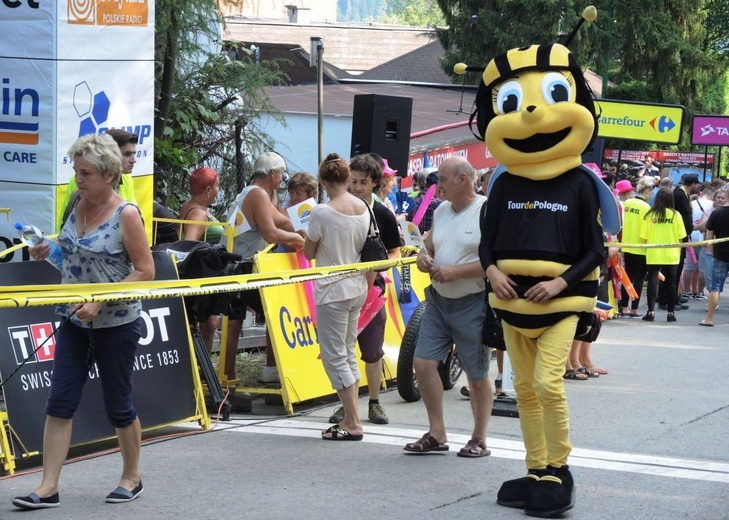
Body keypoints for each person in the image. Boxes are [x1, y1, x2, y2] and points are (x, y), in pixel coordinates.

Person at [14, 133, 154, 510]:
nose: (78, 179)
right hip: (74, 320)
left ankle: (131, 477)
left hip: (117, 324)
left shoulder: (127, 214)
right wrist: (48, 251)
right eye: (76, 171)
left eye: (86, 173)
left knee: (118, 405)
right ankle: (48, 486)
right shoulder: (75, 203)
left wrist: (102, 298)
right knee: (59, 401)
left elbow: (145, 271)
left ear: (109, 174)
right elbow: (72, 258)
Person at [403, 156, 493, 458]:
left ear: (463, 180)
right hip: (438, 302)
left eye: (441, 178)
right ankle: (436, 432)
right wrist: (422, 257)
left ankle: (479, 438)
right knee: (423, 364)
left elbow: (495, 263)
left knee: (477, 376)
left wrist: (455, 272)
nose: (436, 184)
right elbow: (428, 245)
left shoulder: (485, 211)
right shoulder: (441, 209)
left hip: (473, 303)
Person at [328, 153, 401, 426]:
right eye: (353, 182)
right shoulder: (335, 208)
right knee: (342, 350)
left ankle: (374, 403)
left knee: (372, 351)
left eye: (363, 182)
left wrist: (381, 268)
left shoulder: (383, 213)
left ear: (375, 183)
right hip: (340, 288)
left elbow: (395, 251)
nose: (357, 188)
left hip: (373, 292)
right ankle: (346, 406)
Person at [304, 153, 369, 440]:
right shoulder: (364, 206)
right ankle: (350, 415)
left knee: (334, 357)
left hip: (332, 289)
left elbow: (308, 252)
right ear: (347, 178)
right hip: (357, 285)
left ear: (323, 181)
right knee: (348, 351)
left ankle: (352, 421)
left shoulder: (322, 212)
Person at [224, 152, 304, 384]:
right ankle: (269, 370)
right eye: (281, 175)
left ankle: (231, 374)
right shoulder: (258, 194)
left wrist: (297, 230)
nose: (282, 180)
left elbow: (281, 222)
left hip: (237, 262)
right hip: (243, 265)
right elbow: (271, 233)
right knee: (274, 313)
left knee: (235, 320)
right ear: (273, 173)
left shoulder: (254, 192)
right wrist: (300, 239)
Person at [178, 168, 225, 352]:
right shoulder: (197, 213)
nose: (218, 190)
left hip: (204, 272)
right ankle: (201, 370)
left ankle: (200, 368)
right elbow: (189, 243)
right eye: (217, 186)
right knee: (210, 322)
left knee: (209, 321)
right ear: (207, 190)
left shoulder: (194, 206)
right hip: (199, 274)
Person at [60, 129, 138, 230]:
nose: (133, 160)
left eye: (133, 154)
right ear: (111, 155)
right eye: (127, 154)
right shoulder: (82, 183)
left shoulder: (127, 179)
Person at [640, 188, 687, 322]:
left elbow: (645, 236)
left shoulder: (650, 215)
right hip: (671, 254)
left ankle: (650, 312)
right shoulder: (675, 215)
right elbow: (681, 237)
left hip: (654, 253)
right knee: (671, 283)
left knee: (652, 283)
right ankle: (671, 313)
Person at [619, 180, 652, 317]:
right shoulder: (646, 208)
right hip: (641, 247)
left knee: (627, 277)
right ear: (647, 192)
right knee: (639, 279)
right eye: (651, 192)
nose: (651, 195)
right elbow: (647, 229)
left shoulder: (627, 204)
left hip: (627, 245)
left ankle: (624, 307)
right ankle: (634, 309)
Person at [700, 188, 729, 326]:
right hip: (721, 254)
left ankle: (709, 318)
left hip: (721, 254)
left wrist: (713, 252)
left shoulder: (716, 213)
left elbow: (709, 237)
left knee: (715, 288)